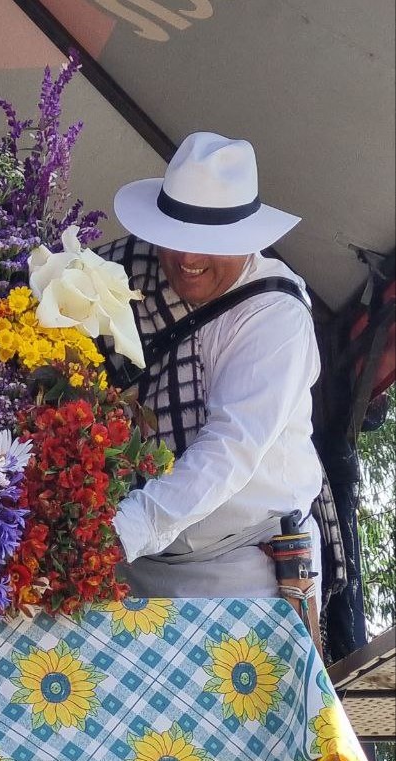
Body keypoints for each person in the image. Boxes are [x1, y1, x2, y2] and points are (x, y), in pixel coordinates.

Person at [103, 131, 323, 600]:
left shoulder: (276, 316)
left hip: (245, 568)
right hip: (133, 564)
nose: (188, 257)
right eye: (175, 237)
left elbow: (229, 448)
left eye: (210, 241)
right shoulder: (125, 267)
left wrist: (116, 534)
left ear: (248, 239)